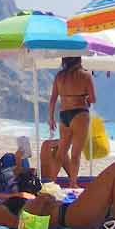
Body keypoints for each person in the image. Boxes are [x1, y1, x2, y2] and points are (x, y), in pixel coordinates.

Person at [46, 57, 95, 190]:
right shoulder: (85, 75)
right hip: (80, 113)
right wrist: (86, 98)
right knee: (75, 153)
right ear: (78, 60)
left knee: (61, 152)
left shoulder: (59, 76)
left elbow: (53, 99)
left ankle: (51, 183)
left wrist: (51, 118)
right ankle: (73, 183)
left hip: (64, 115)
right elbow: (93, 98)